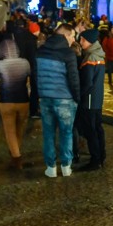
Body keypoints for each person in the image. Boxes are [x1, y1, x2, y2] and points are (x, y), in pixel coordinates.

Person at [35, 23, 80, 177]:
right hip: (65, 100)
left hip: (46, 98)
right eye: (72, 36)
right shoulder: (68, 53)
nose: (73, 39)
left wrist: (36, 98)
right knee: (66, 133)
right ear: (65, 35)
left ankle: (51, 167)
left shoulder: (40, 51)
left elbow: (35, 77)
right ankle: (66, 166)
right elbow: (74, 78)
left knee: (48, 133)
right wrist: (77, 98)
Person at [0, 39, 31, 169]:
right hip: (23, 100)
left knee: (10, 130)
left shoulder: (0, 64)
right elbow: (30, 74)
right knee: (20, 128)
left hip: (6, 100)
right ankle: (16, 152)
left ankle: (16, 158)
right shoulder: (25, 62)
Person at [77, 29, 106, 171]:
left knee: (91, 130)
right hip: (97, 98)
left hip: (89, 99)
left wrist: (79, 95)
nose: (80, 42)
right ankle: (101, 155)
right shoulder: (98, 55)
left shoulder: (90, 58)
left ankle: (95, 159)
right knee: (98, 128)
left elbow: (87, 82)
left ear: (89, 41)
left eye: (82, 39)